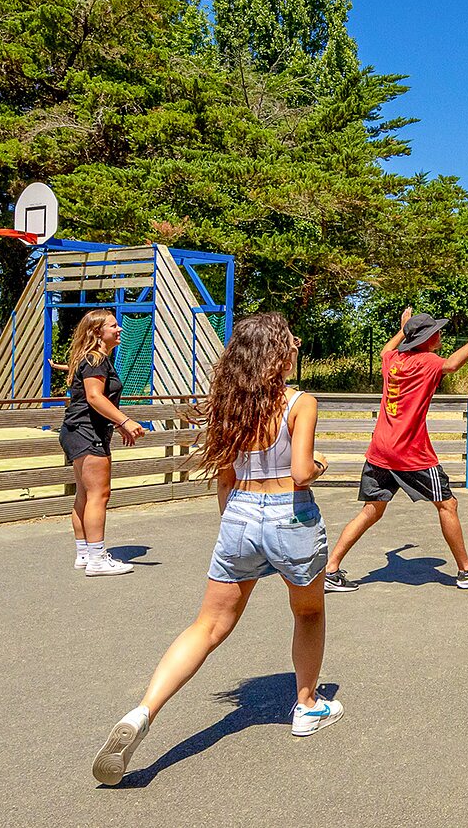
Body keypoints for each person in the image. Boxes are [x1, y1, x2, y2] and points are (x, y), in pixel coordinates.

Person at [92, 313, 336, 787]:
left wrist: (235, 526)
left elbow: (225, 479)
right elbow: (303, 472)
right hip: (290, 515)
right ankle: (306, 705)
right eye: (290, 340)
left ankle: (143, 711)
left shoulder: (228, 405)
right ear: (275, 354)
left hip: (240, 514)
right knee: (307, 613)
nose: (297, 344)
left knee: (207, 626)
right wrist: (321, 462)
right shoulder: (300, 402)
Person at [323, 307, 468, 592]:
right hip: (410, 452)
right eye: (436, 331)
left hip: (380, 450)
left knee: (372, 509)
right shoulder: (428, 362)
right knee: (447, 504)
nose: (440, 333)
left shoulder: (392, 361)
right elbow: (453, 364)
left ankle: (330, 569)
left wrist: (403, 328)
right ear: (427, 338)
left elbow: (385, 349)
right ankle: (467, 570)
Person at [60, 310, 146, 576]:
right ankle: (97, 559)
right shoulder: (96, 359)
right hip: (86, 433)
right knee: (99, 495)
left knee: (85, 495)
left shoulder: (93, 359)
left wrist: (115, 422)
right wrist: (124, 421)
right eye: (113, 325)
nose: (119, 329)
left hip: (78, 431)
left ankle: (85, 554)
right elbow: (95, 397)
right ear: (98, 332)